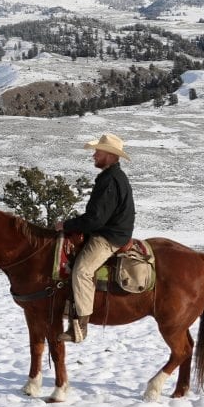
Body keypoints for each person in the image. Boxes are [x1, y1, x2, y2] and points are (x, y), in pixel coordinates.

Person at [53, 133, 135, 343]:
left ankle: (80, 326)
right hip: (110, 230)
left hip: (108, 236)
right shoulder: (111, 176)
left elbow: (96, 219)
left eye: (98, 152)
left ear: (109, 155)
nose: (94, 155)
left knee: (82, 270)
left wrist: (67, 225)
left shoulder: (109, 180)